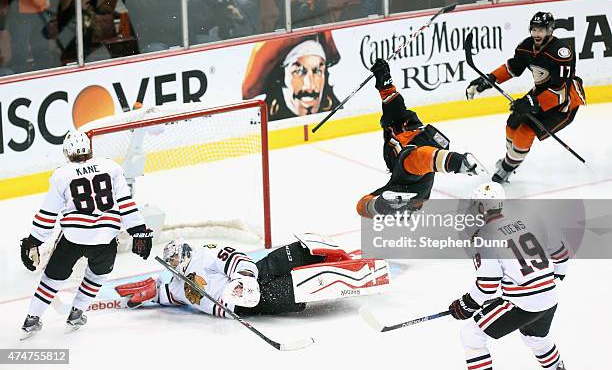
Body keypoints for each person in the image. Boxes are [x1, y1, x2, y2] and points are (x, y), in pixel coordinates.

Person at [19, 130, 153, 339]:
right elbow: (126, 203)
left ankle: (32, 319)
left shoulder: (61, 175)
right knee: (97, 276)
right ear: (89, 149)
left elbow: (48, 213)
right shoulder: (111, 167)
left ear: (67, 152)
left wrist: (34, 240)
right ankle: (77, 313)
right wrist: (139, 231)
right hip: (106, 237)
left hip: (73, 238)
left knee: (53, 278)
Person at [115, 233, 389, 316]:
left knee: (291, 254)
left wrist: (243, 279)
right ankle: (356, 278)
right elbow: (169, 295)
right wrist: (151, 294)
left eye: (177, 257)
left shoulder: (203, 253)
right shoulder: (174, 286)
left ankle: (340, 257)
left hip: (251, 278)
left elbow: (237, 259)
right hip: (246, 305)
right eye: (172, 262)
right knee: (298, 288)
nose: (177, 263)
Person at [448, 182, 569, 370]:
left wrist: (467, 304)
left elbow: (488, 284)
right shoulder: (529, 221)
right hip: (549, 298)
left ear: (481, 207)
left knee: (471, 336)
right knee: (536, 339)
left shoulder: (485, 236)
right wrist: (558, 274)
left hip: (522, 304)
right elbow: (560, 252)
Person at [465, 12, 586, 183]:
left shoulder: (561, 52)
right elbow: (513, 67)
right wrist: (489, 79)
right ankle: (511, 159)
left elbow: (560, 92)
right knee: (511, 124)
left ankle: (508, 168)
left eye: (541, 30)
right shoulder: (527, 46)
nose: (537, 34)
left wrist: (532, 102)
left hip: (562, 104)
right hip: (539, 94)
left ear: (550, 30)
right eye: (534, 29)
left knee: (525, 131)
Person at [356, 58, 485, 218]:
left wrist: (458, 162)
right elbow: (427, 157)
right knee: (363, 205)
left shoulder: (402, 133)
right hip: (414, 181)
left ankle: (396, 207)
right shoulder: (407, 130)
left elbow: (424, 157)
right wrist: (384, 77)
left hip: (410, 178)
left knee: (363, 206)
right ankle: (399, 206)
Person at [242, 32, 341, 120]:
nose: (309, 86)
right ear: (280, 79)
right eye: (298, 72)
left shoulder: (337, 117)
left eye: (318, 71)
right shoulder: (262, 122)